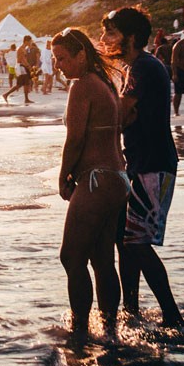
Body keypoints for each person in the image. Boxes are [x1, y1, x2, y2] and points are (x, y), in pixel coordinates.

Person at [102, 6, 184, 328]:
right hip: (141, 163)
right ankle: (131, 311)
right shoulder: (136, 67)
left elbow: (121, 115)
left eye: (111, 33)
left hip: (153, 165)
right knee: (126, 240)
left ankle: (173, 318)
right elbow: (126, 115)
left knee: (135, 243)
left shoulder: (143, 68)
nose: (104, 39)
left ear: (131, 38)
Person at [51, 27, 128, 340]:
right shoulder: (105, 83)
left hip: (95, 180)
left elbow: (76, 138)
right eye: (56, 59)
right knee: (102, 260)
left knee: (71, 257)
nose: (58, 65)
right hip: (118, 180)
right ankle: (110, 331)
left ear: (81, 54)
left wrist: (63, 176)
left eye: (63, 58)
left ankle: (80, 330)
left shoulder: (83, 86)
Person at [3, 36, 40, 104]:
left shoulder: (24, 48)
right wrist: (29, 66)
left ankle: (24, 98)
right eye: (30, 41)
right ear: (26, 41)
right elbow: (22, 59)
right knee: (23, 83)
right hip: (21, 67)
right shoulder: (21, 49)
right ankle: (7, 95)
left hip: (22, 66)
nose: (31, 43)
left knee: (23, 83)